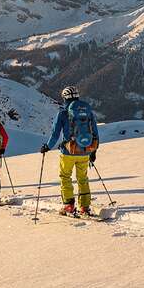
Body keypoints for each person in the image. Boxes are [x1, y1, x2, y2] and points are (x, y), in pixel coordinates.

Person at [40, 86, 99, 216]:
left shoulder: (63, 113)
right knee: (82, 178)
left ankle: (68, 205)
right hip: (85, 150)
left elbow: (55, 134)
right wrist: (93, 151)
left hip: (68, 151)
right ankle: (84, 207)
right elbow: (95, 131)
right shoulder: (88, 112)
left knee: (65, 177)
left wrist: (47, 147)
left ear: (65, 98)